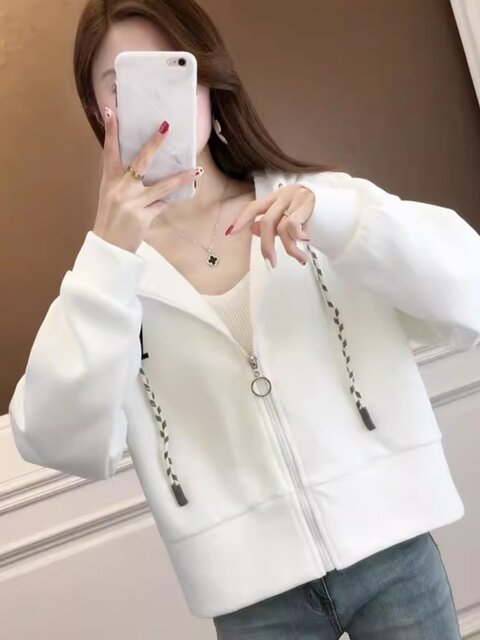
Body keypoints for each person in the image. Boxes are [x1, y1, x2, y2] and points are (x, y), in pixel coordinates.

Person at [8, 1, 480, 638]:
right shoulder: (110, 277)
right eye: (122, 85)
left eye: (172, 71)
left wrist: (339, 221)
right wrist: (108, 253)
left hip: (394, 555)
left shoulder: (317, 205)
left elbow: (468, 293)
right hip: (258, 606)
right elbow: (57, 440)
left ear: (207, 80)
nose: (157, 103)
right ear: (98, 110)